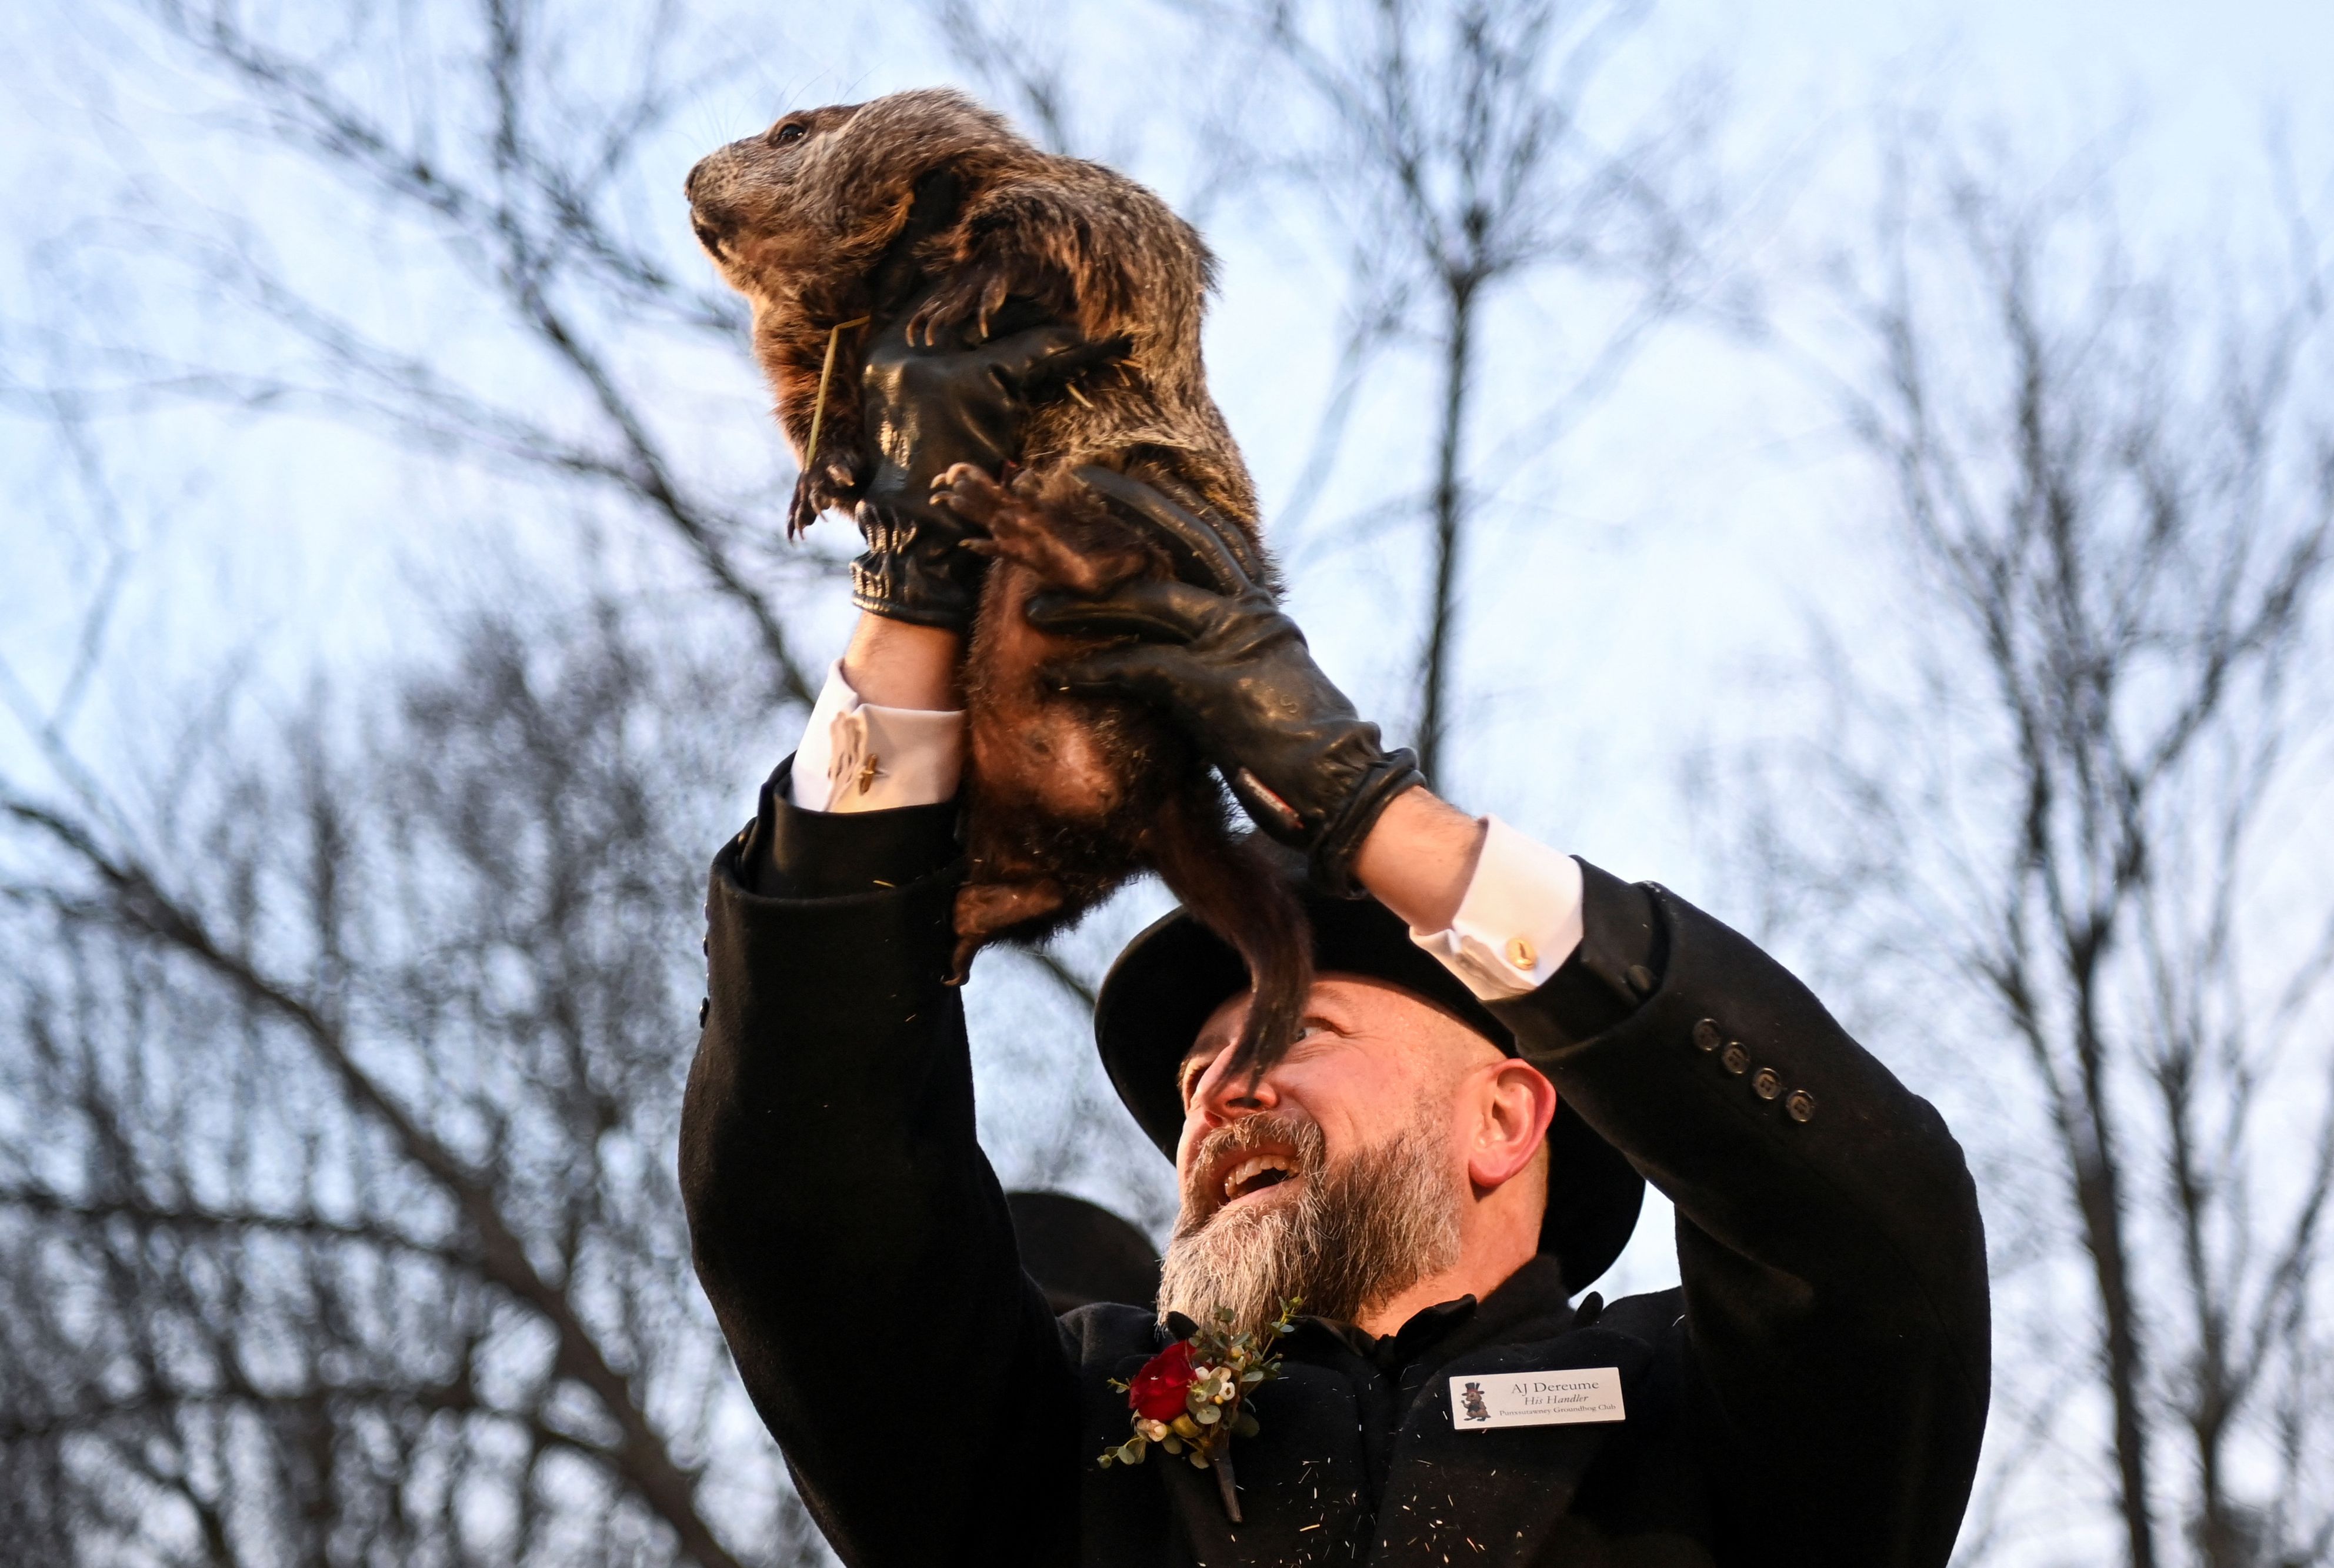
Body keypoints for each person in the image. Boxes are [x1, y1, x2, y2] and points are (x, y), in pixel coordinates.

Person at [679, 324, 1992, 1567]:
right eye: (1193, 1079)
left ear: (1505, 1116)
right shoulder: (1064, 1447)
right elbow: (813, 1205)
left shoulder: (1695, 1434)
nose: (1214, 1095)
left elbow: (1870, 1233)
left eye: (1288, 1032)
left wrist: (1383, 820)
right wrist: (918, 585)